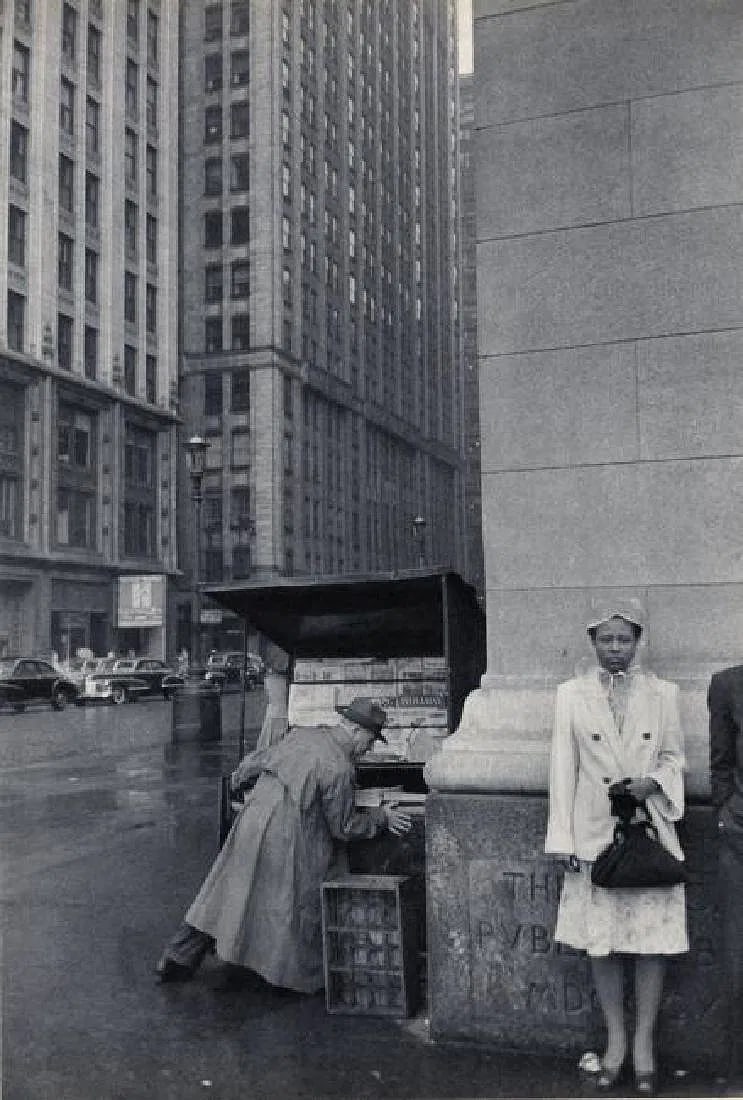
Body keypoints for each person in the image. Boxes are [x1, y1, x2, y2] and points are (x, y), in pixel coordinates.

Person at [156, 697, 411, 991]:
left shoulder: (303, 735)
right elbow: (344, 827)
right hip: (288, 834)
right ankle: (282, 974)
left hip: (252, 820)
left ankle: (177, 956)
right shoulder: (339, 768)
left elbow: (253, 763)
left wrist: (241, 786)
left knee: (222, 893)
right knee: (286, 904)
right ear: (355, 730)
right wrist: (381, 817)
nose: (370, 748)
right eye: (370, 740)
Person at [545, 601, 687, 1095]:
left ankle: (645, 1045)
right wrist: (562, 838)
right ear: (592, 642)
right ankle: (616, 1042)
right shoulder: (571, 695)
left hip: (646, 833)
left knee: (651, 941)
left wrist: (656, 782)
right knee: (600, 941)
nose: (615, 648)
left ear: (638, 641)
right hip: (594, 833)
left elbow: (674, 757)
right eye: (606, 639)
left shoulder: (663, 694)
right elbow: (562, 767)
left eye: (624, 639)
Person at [708, 663, 743, 1083]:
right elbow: (720, 763)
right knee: (738, 960)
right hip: (740, 839)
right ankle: (738, 1072)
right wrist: (726, 811)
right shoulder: (728, 684)